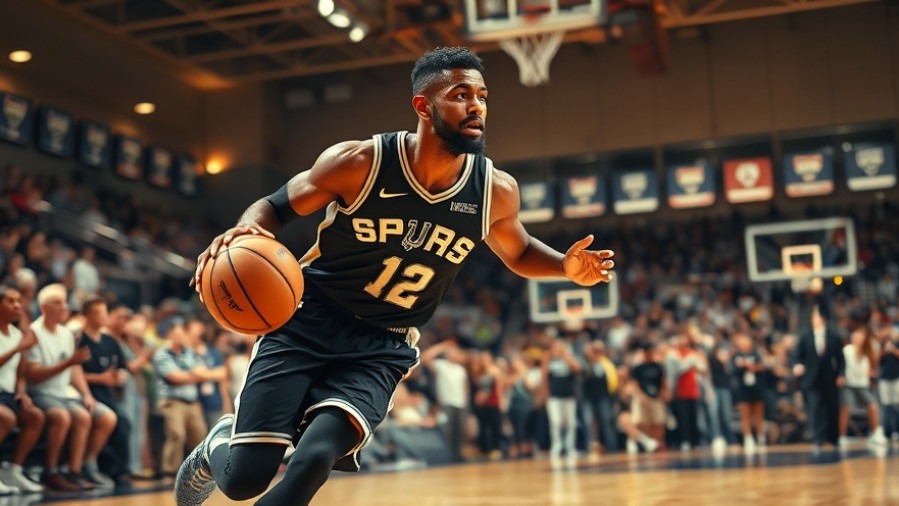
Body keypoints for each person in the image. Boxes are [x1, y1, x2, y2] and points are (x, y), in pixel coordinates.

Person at [175, 47, 615, 506]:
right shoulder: (360, 162)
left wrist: (564, 265)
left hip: (381, 345)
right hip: (307, 321)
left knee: (312, 462)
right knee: (244, 482)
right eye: (461, 94)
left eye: (482, 96)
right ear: (423, 106)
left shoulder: (495, 191)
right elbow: (272, 208)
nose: (476, 106)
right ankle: (219, 443)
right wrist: (243, 232)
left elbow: (519, 250)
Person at [0, 285, 45, 493]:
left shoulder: (18, 334)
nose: (17, 305)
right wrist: (19, 347)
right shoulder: (18, 340)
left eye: (19, 301)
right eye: (11, 301)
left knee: (35, 416)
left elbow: (20, 371)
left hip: (8, 394)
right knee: (7, 418)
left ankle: (13, 471)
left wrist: (21, 391)